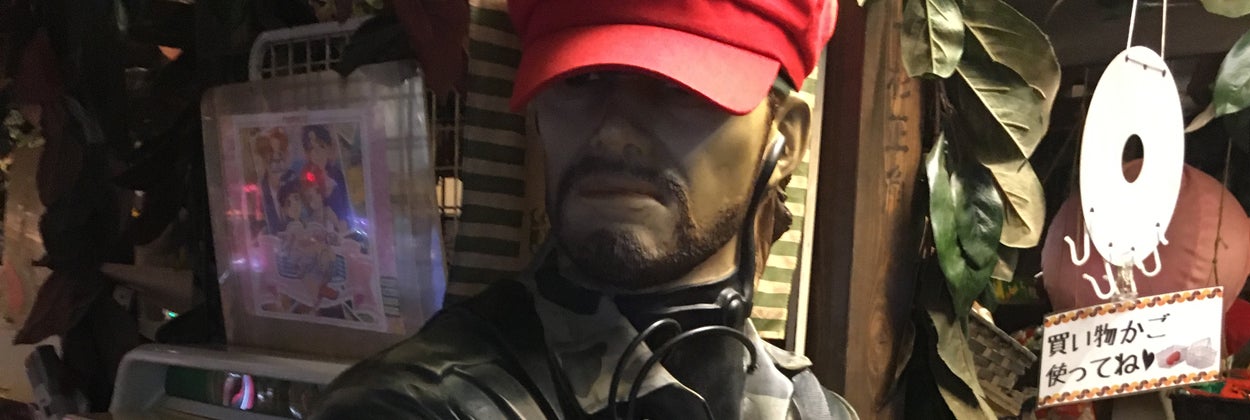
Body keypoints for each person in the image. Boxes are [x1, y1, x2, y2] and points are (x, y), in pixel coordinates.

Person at [312, 0, 853, 419]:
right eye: (580, 80)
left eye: (678, 86)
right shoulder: (414, 406)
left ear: (785, 140)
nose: (613, 133)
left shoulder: (811, 409)